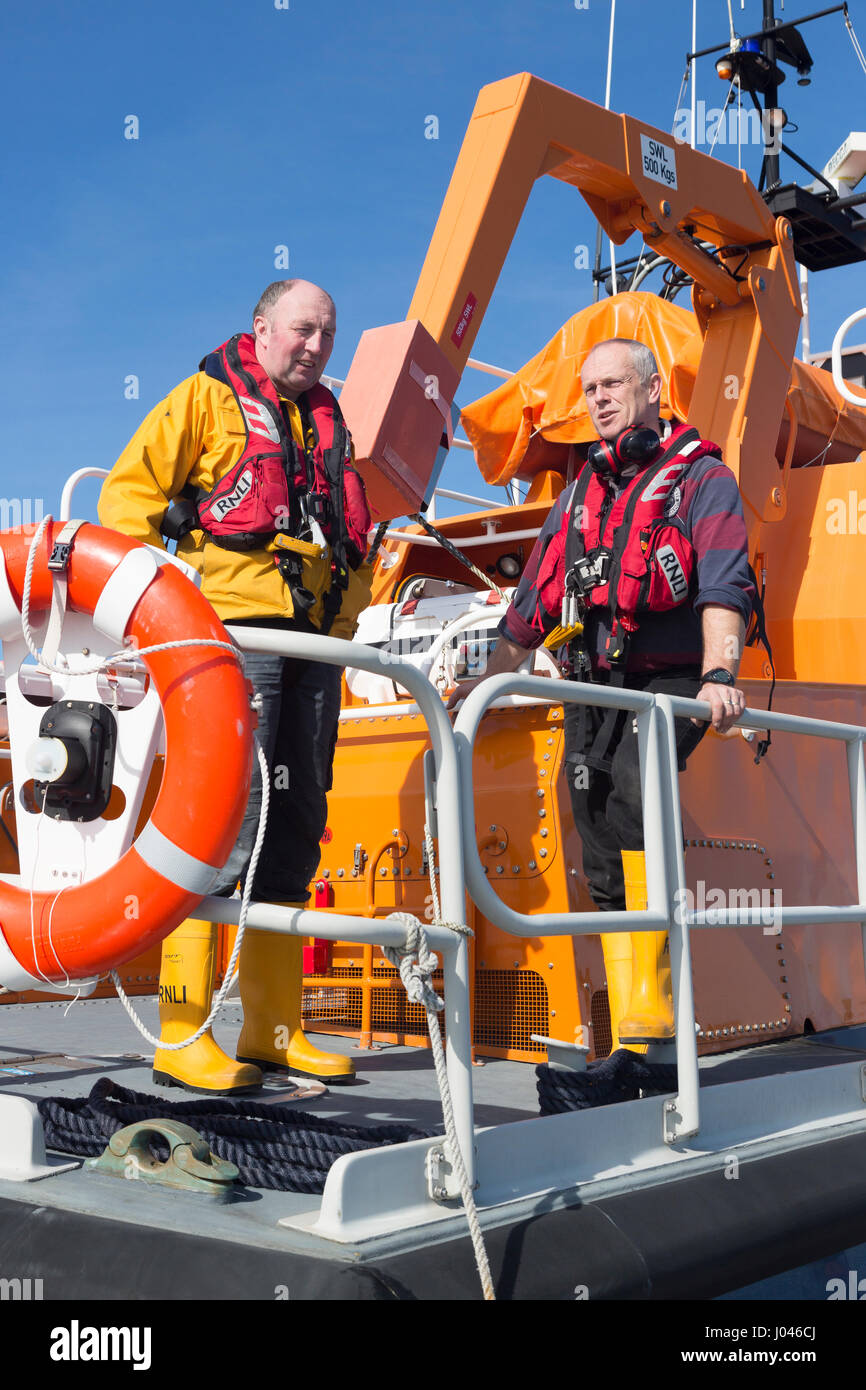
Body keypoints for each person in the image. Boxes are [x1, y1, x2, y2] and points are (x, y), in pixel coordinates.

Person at [99, 279, 372, 1092]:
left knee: (296, 825)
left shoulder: (329, 423)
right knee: (220, 825)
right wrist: (165, 625)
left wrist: (343, 627)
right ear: (260, 328)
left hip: (314, 644)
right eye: (301, 328)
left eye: (326, 333)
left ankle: (271, 1028)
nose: (315, 345)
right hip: (230, 641)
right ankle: (183, 1033)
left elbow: (350, 540)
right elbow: (127, 504)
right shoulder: (203, 400)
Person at [450, 338, 754, 1051]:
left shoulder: (703, 481)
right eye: (589, 390)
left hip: (671, 678)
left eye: (614, 385)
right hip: (596, 683)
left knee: (632, 801)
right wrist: (489, 680)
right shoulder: (580, 495)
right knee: (592, 822)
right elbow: (530, 606)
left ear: (652, 390)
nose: (599, 400)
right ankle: (633, 1023)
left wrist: (719, 675)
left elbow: (723, 583)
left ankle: (655, 1027)